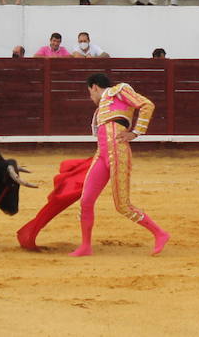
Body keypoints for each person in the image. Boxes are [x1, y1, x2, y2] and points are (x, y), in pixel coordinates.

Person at [69, 72, 169, 257]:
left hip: (118, 150)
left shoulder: (119, 91)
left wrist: (136, 132)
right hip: (101, 153)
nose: (91, 97)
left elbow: (147, 105)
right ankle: (85, 246)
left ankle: (160, 234)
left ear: (94, 87)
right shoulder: (99, 111)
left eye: (90, 93)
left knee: (122, 205)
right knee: (86, 200)